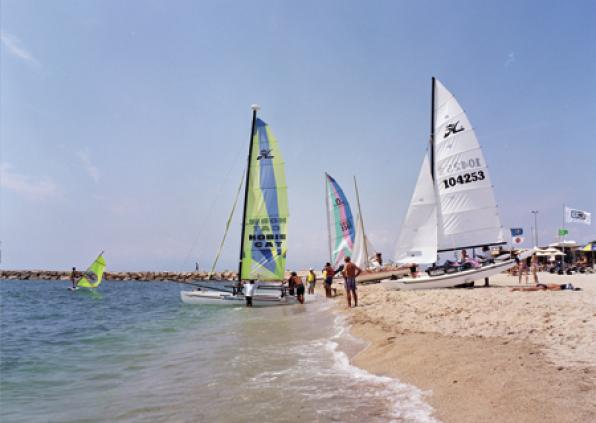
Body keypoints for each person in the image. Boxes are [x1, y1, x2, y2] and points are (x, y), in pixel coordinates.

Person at [511, 283, 581, 292]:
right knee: (529, 289)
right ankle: (516, 289)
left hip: (543, 285)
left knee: (530, 288)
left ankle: (517, 288)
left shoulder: (557, 285)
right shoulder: (558, 287)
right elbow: (552, 290)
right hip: (544, 287)